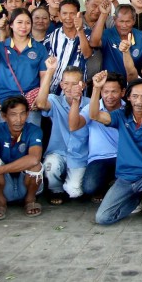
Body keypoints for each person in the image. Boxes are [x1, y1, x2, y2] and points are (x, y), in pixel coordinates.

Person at [92, 77, 142, 224]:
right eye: (135, 96)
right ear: (128, 97)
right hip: (125, 178)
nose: (139, 101)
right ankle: (135, 200)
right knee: (102, 218)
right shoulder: (120, 115)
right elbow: (94, 115)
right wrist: (96, 88)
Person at [0, 9, 55, 127]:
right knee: (7, 136)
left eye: (27, 23)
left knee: (31, 135)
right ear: (11, 24)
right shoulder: (1, 46)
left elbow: (44, 76)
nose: (24, 26)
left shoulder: (39, 48)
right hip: (6, 101)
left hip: (30, 102)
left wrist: (40, 97)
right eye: (19, 22)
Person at [0, 96, 45, 219]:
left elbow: (34, 158)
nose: (18, 119)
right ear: (4, 116)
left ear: (27, 114)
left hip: (26, 184)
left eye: (22, 114)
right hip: (5, 186)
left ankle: (30, 200)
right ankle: (0, 202)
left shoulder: (34, 130)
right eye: (13, 115)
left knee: (35, 165)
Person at [40, 67, 90, 204]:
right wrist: (49, 72)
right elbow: (40, 103)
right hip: (58, 152)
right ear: (61, 85)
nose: (69, 87)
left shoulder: (90, 103)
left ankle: (70, 184)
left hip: (80, 155)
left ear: (83, 85)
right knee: (50, 165)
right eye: (66, 83)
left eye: (74, 84)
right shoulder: (54, 100)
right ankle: (56, 189)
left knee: (74, 191)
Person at [81, 71, 124, 200]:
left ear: (122, 92)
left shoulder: (128, 108)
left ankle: (114, 186)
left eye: (114, 91)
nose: (109, 96)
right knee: (90, 187)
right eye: (105, 91)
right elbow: (75, 124)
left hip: (123, 157)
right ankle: (111, 186)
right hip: (99, 159)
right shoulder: (92, 107)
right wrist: (96, 87)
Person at [43, 0, 92, 94]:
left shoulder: (87, 34)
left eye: (72, 13)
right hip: (53, 91)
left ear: (78, 15)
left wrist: (80, 30)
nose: (68, 17)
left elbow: (87, 54)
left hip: (77, 91)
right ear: (59, 15)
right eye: (64, 13)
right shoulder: (52, 37)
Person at [90, 2, 142, 82]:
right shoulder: (107, 34)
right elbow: (93, 43)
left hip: (134, 84)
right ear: (114, 19)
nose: (124, 25)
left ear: (134, 21)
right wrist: (103, 14)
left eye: (128, 21)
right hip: (111, 85)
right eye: (121, 21)